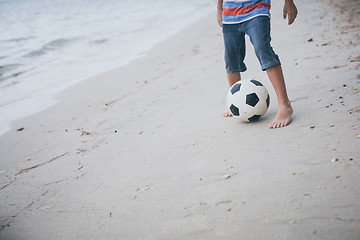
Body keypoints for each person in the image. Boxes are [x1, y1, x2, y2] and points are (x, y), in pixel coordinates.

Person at [217, 0, 297, 128]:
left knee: (263, 49)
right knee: (231, 58)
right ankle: (235, 100)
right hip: (229, 13)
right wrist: (219, 9)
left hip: (256, 8)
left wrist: (289, 2)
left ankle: (284, 104)